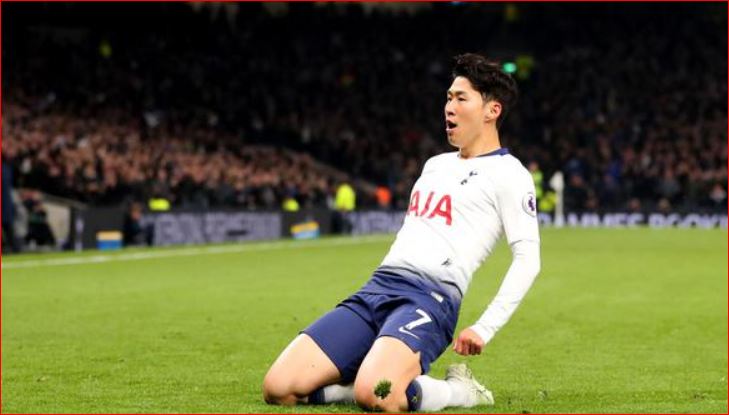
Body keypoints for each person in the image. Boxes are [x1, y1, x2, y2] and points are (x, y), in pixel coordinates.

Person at [262, 53, 541, 412]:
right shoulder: (435, 165)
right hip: (377, 288)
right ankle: (370, 376)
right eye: (448, 97)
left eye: (461, 98)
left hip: (429, 299)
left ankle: (460, 391)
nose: (449, 107)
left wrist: (484, 327)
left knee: (378, 394)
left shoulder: (510, 174)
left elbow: (528, 259)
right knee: (279, 388)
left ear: (492, 110)